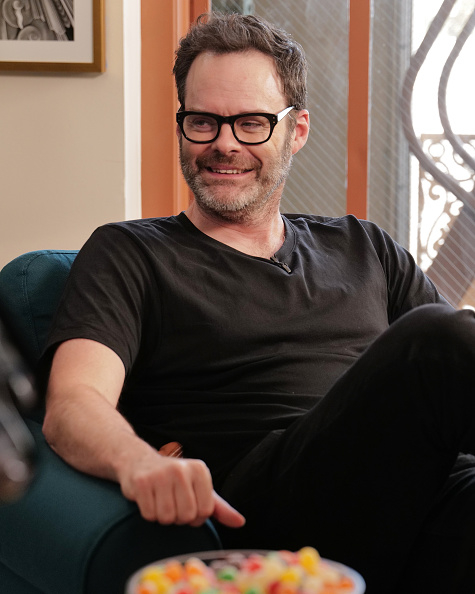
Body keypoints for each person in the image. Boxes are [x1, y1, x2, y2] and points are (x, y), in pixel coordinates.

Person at [42, 12, 475, 594]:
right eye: (203, 122)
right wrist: (139, 461)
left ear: (295, 131)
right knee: (439, 336)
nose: (223, 144)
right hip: (275, 507)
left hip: (420, 492)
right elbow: (72, 403)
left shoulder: (363, 246)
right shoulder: (130, 253)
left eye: (250, 123)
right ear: (181, 127)